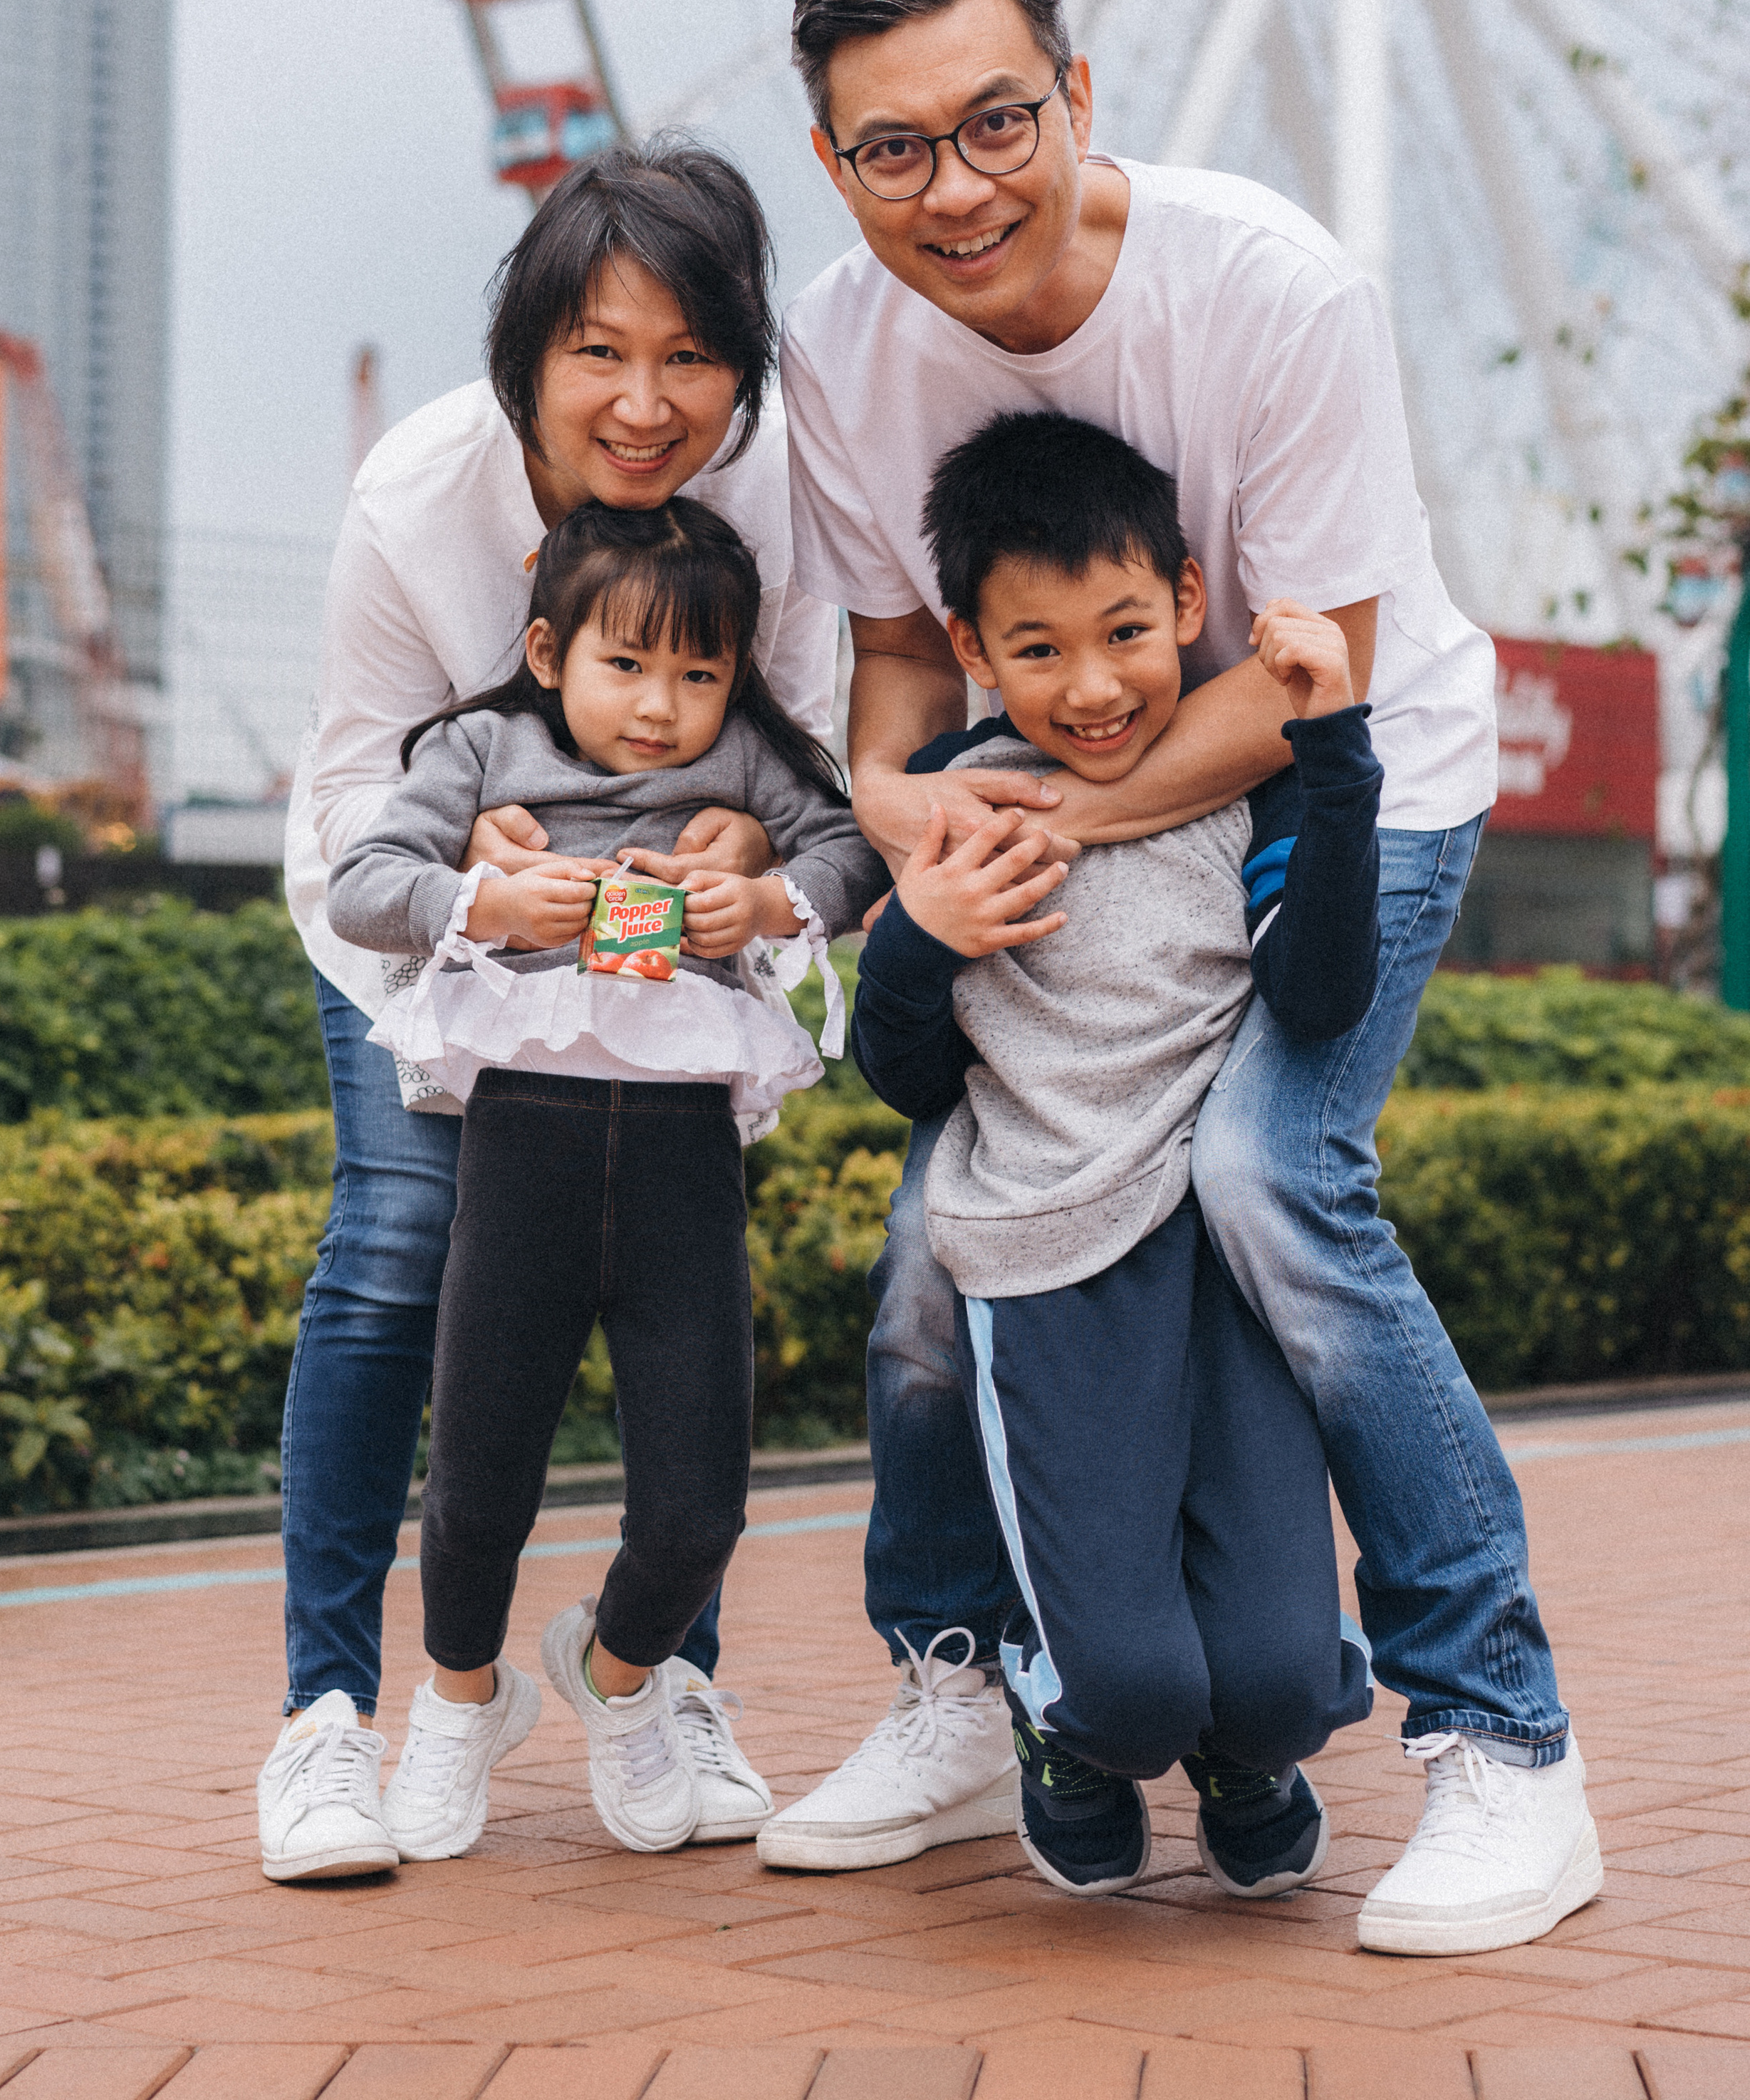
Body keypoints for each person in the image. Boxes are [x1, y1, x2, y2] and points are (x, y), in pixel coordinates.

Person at [761, 0, 1600, 1962]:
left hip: (1344, 777)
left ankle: (1504, 1738)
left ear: (1076, 94)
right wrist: (902, 811)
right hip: (1071, 810)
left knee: (1265, 1177)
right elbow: (897, 666)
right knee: (934, 1243)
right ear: (832, 162)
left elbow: (1306, 686)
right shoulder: (840, 344)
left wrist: (1035, 812)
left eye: (995, 122)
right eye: (893, 149)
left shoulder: (1270, 290)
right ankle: (962, 1681)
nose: (955, 188)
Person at [261, 139, 838, 1883]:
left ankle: (659, 1685)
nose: (645, 405)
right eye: (599, 352)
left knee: (685, 1325)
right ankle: (329, 1718)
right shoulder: (416, 497)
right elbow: (356, 802)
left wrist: (751, 848)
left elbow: (811, 757)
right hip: (437, 931)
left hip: (667, 990)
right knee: (393, 1247)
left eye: (691, 357)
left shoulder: (783, 488)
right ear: (525, 355)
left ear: (743, 367)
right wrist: (470, 881)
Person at [851, 410, 1393, 1903]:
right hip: (1047, 1269)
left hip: (1224, 1267)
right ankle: (1067, 1731)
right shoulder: (958, 803)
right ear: (972, 648)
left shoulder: (1244, 778)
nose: (1092, 688)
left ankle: (1249, 1749)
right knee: (1129, 1691)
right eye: (1038, 649)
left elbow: (1318, 998)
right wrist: (916, 939)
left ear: (1188, 604)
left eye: (1127, 634)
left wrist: (1335, 752)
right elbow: (904, 1074)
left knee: (1281, 1686)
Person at [313, 498, 884, 1864]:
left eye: (700, 672)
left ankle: (618, 1674)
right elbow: (361, 883)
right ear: (548, 651)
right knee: (476, 1485)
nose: (660, 706)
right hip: (524, 1152)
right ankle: (459, 1703)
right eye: (625, 664)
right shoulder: (480, 749)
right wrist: (484, 902)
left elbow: (857, 849)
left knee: (699, 1508)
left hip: (686, 1167)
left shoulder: (747, 761)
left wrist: (771, 898)